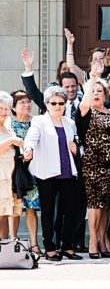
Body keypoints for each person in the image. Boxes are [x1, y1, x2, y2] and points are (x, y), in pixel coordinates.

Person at [23, 86, 81, 261]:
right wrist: (28, 149)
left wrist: (77, 150)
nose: (57, 106)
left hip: (67, 173)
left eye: (61, 103)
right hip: (47, 173)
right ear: (47, 104)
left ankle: (67, 246)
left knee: (69, 211)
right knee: (48, 212)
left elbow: (76, 145)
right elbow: (32, 137)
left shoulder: (70, 123)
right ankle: (50, 248)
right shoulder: (39, 121)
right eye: (53, 103)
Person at [75, 64, 110, 258]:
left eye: (99, 91)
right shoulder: (87, 111)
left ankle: (103, 238)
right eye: (93, 91)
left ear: (105, 94)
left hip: (109, 166)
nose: (96, 93)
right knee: (94, 204)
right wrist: (93, 79)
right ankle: (93, 240)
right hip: (92, 164)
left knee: (105, 204)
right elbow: (84, 103)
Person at [9, 91, 40, 254]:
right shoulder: (8, 124)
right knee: (15, 207)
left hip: (32, 171)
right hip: (14, 172)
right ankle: (13, 243)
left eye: (28, 101)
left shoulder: (36, 122)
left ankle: (34, 244)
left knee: (31, 207)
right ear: (13, 107)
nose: (27, 105)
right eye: (22, 102)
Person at [0, 92, 24, 241]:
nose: (3, 112)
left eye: (6, 109)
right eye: (0, 108)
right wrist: (12, 141)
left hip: (10, 177)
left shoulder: (8, 127)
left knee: (4, 215)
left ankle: (3, 251)